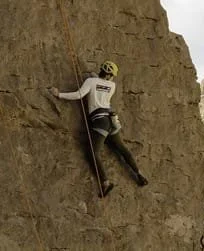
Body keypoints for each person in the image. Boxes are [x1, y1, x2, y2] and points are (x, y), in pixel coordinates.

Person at [50, 60, 149, 197]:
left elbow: (79, 95)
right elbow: (102, 85)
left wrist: (59, 94)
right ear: (109, 75)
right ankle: (139, 174)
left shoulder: (91, 82)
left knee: (92, 153)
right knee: (122, 149)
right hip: (111, 120)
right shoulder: (112, 85)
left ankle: (105, 183)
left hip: (100, 122)